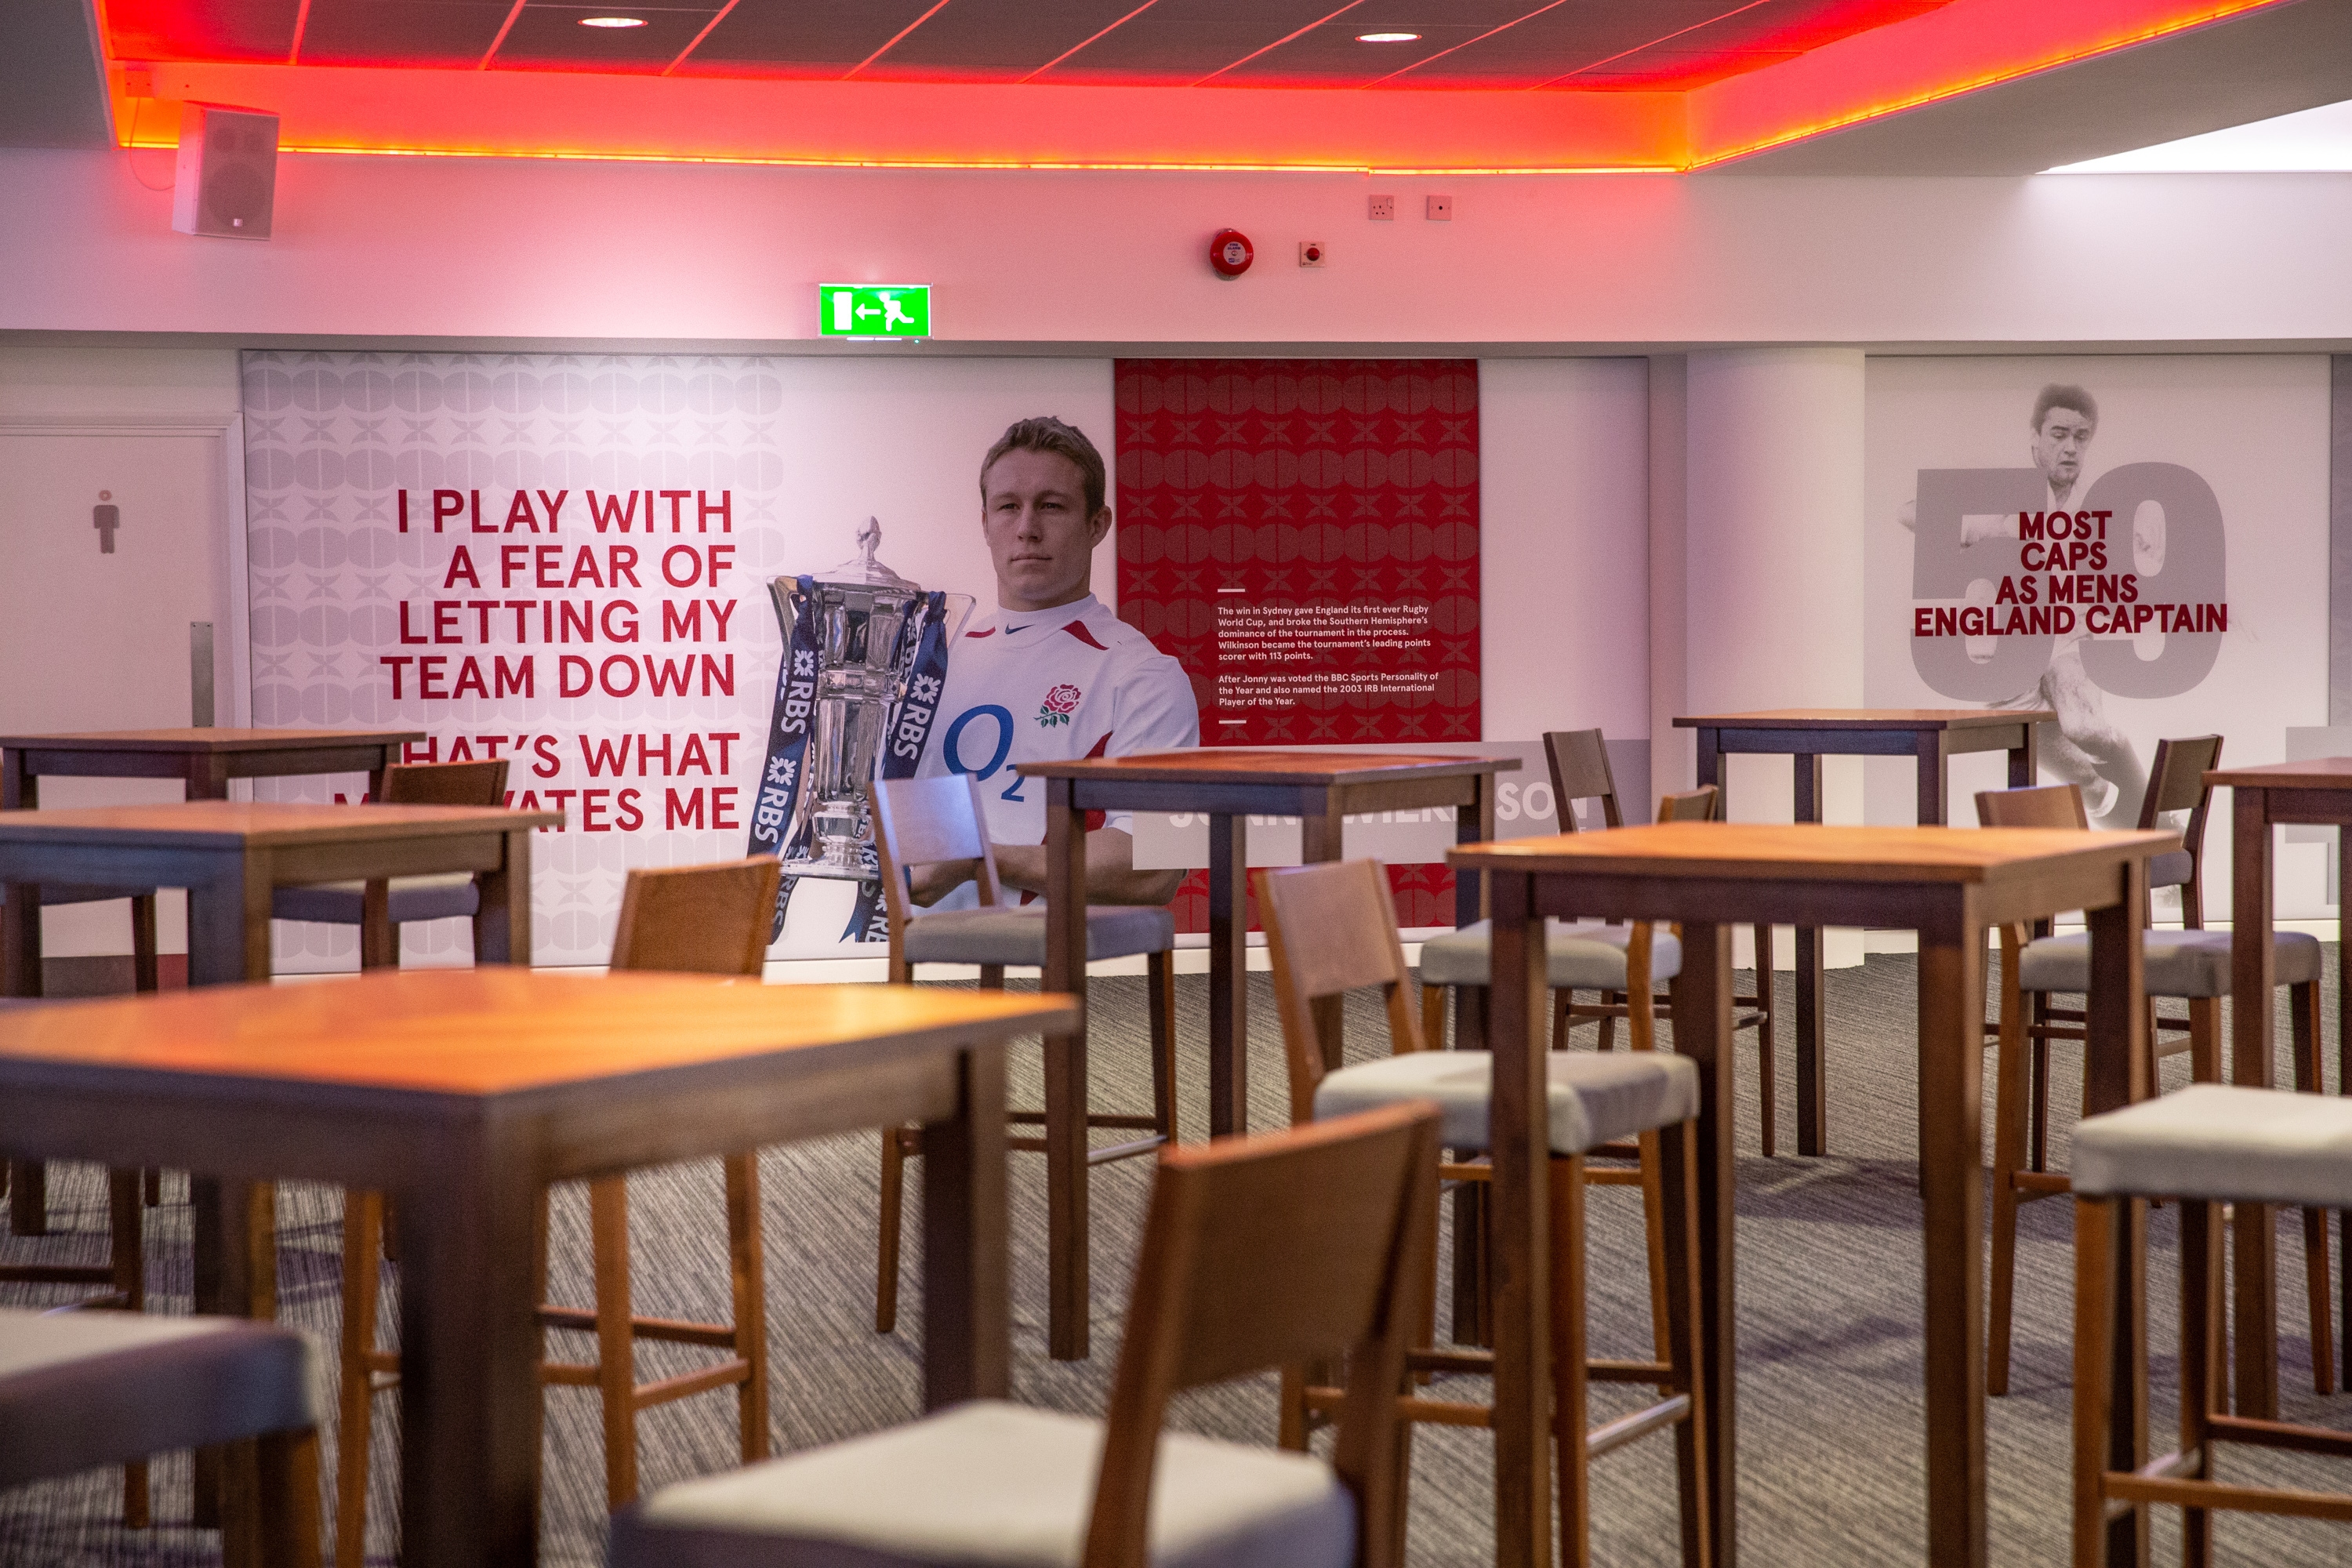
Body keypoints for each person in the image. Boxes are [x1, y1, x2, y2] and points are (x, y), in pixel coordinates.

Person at [911, 416, 1197, 906]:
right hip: (912, 966)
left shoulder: (1141, 674)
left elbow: (1155, 863)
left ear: (1097, 525)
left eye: (1051, 506)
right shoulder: (931, 663)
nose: (1027, 529)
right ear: (984, 524)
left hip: (1048, 970)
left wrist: (981, 859)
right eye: (1007, 507)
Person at [1904, 383, 2147, 826]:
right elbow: (1908, 511)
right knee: (2040, 738)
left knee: (2085, 726)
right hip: (2004, 647)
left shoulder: (2091, 500)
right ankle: (2126, 817)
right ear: (2034, 437)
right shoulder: (2002, 492)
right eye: (2058, 435)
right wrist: (1989, 533)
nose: (2070, 448)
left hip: (2064, 636)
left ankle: (2148, 819)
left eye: (2081, 437)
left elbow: (2139, 551)